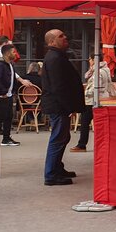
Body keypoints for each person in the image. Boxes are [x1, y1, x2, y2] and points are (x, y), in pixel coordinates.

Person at [41, 29, 85, 186]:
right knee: (58, 138)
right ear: (52, 42)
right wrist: (68, 107)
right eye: (61, 36)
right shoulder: (55, 58)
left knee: (62, 137)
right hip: (59, 106)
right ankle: (51, 174)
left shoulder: (56, 56)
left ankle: (57, 168)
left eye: (64, 34)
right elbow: (58, 86)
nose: (65, 37)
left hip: (59, 105)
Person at [70, 55, 115, 153]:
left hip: (93, 100)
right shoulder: (104, 70)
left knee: (85, 122)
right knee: (99, 123)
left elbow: (95, 87)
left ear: (94, 59)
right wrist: (91, 69)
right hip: (102, 99)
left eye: (90, 59)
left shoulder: (98, 72)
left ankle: (82, 144)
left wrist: (84, 93)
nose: (88, 61)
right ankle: (101, 145)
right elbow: (87, 76)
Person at [0, 44, 31, 146]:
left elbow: (12, 79)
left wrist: (12, 92)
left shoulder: (10, 65)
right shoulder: (1, 65)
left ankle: (6, 138)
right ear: (7, 53)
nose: (15, 54)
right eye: (13, 52)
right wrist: (2, 92)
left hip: (8, 95)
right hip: (2, 97)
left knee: (9, 117)